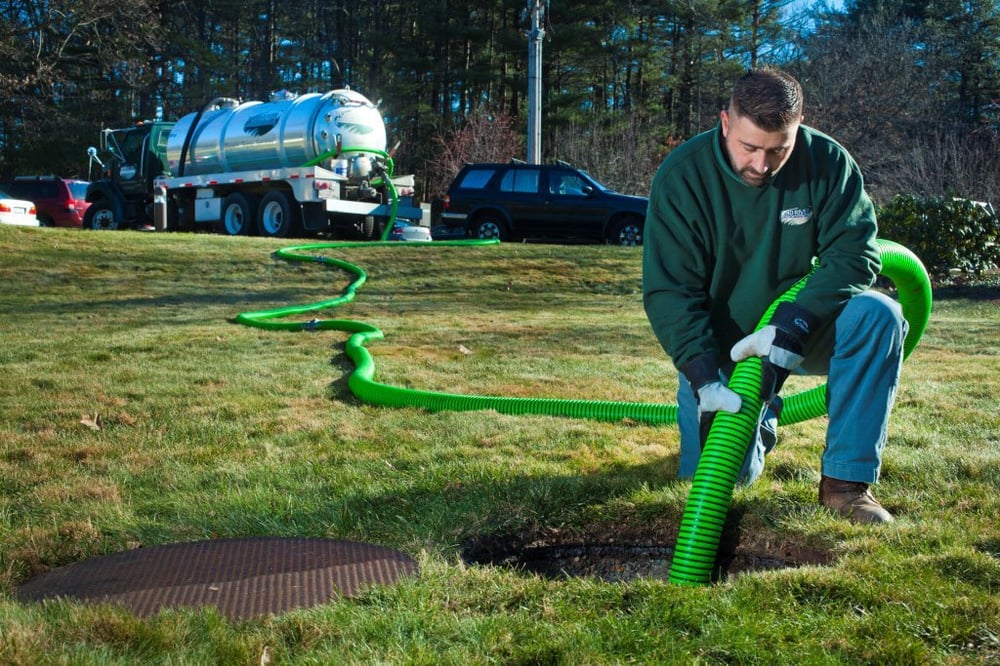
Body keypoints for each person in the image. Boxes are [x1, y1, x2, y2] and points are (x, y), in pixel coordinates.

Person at [642, 67, 908, 524]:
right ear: (725, 122)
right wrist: (703, 376)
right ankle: (759, 417)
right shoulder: (683, 176)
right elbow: (670, 289)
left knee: (879, 313)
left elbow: (855, 255)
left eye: (778, 150)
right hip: (727, 350)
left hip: (806, 327)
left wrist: (794, 324)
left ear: (799, 127)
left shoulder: (828, 162)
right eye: (749, 148)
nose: (761, 165)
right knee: (719, 483)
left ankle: (845, 484)